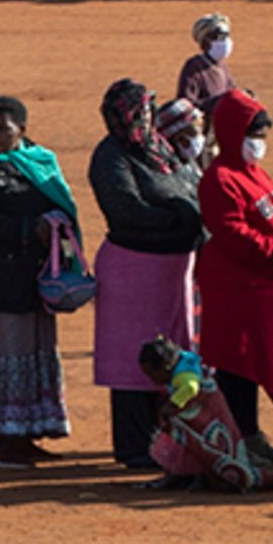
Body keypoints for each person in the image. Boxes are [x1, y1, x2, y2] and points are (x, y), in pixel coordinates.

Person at [0, 94, 78, 468]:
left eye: (3, 129)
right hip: (2, 284)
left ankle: (27, 437)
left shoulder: (39, 163)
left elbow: (62, 203)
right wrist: (33, 229)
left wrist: (56, 225)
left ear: (22, 130)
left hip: (38, 281)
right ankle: (7, 442)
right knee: (8, 358)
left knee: (35, 356)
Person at [88, 80, 201, 471]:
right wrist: (179, 217)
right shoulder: (110, 157)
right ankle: (135, 446)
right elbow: (126, 209)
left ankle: (167, 438)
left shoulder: (158, 148)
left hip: (172, 272)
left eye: (150, 110)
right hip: (133, 270)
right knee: (133, 360)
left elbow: (189, 184)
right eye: (140, 111)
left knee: (172, 356)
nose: (147, 117)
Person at [196, 90, 273, 462]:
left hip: (263, 287)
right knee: (236, 364)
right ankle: (240, 435)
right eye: (254, 135)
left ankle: (251, 434)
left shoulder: (256, 174)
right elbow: (233, 232)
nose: (259, 143)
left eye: (263, 136)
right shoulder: (220, 178)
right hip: (235, 286)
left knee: (254, 361)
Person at [136, 337, 273, 490]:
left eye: (152, 374)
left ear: (166, 369)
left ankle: (206, 476)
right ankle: (188, 476)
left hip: (208, 415)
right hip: (204, 414)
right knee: (190, 445)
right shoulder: (180, 362)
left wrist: (173, 405)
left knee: (203, 444)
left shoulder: (184, 376)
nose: (151, 379)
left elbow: (191, 388)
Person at [175, 13, 237, 125]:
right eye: (219, 37)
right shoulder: (194, 67)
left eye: (227, 36)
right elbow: (185, 105)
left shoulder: (222, 65)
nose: (225, 41)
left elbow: (231, 92)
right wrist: (217, 103)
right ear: (206, 41)